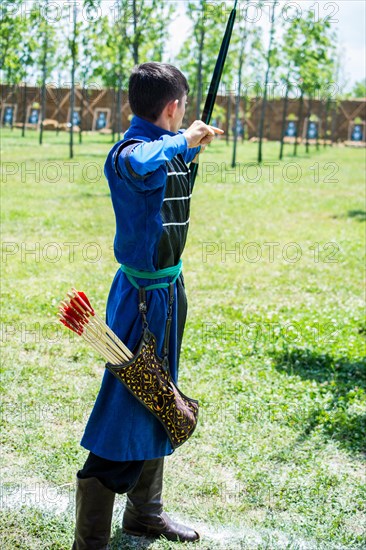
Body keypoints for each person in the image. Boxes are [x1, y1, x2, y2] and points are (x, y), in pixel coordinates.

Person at [72, 62, 223, 549]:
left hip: (168, 292)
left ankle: (144, 514)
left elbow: (172, 183)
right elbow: (141, 163)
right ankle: (90, 540)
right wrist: (184, 140)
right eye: (181, 112)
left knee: (161, 394)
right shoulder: (129, 152)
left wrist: (189, 147)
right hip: (139, 300)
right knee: (129, 402)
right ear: (174, 107)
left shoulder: (170, 150)